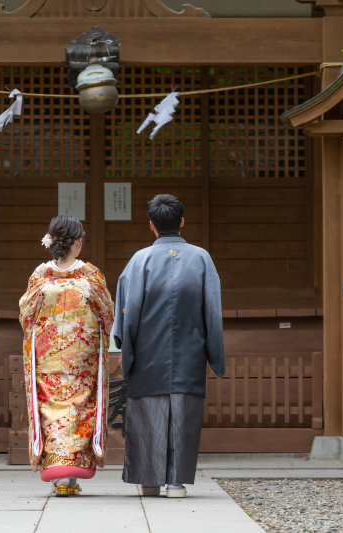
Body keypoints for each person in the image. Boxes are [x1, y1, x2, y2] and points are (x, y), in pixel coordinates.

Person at [113, 194, 225, 499]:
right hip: (190, 353)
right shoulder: (201, 258)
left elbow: (127, 311)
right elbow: (212, 312)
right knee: (183, 417)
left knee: (148, 415)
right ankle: (176, 483)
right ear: (182, 222)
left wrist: (126, 350)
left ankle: (149, 482)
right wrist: (215, 356)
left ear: (151, 225)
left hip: (148, 355)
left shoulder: (139, 261)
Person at [19, 215, 114, 497]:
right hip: (82, 360)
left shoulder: (40, 276)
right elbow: (106, 313)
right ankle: (71, 475)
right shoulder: (91, 275)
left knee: (51, 411)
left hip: (47, 358)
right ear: (78, 243)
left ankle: (61, 475)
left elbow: (26, 316)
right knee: (79, 410)